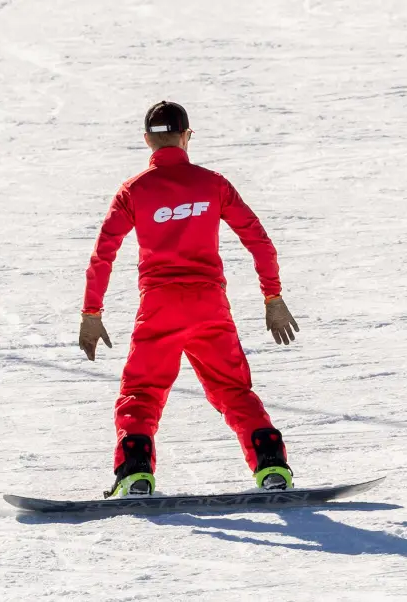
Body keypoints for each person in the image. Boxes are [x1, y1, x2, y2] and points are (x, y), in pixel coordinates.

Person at [79, 101, 300, 498]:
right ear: (186, 136)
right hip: (208, 304)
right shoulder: (213, 185)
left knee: (142, 392)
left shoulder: (134, 191)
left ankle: (135, 473)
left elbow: (103, 254)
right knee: (233, 390)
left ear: (147, 140)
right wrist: (272, 297)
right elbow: (259, 241)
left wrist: (92, 312)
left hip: (159, 307)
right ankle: (271, 466)